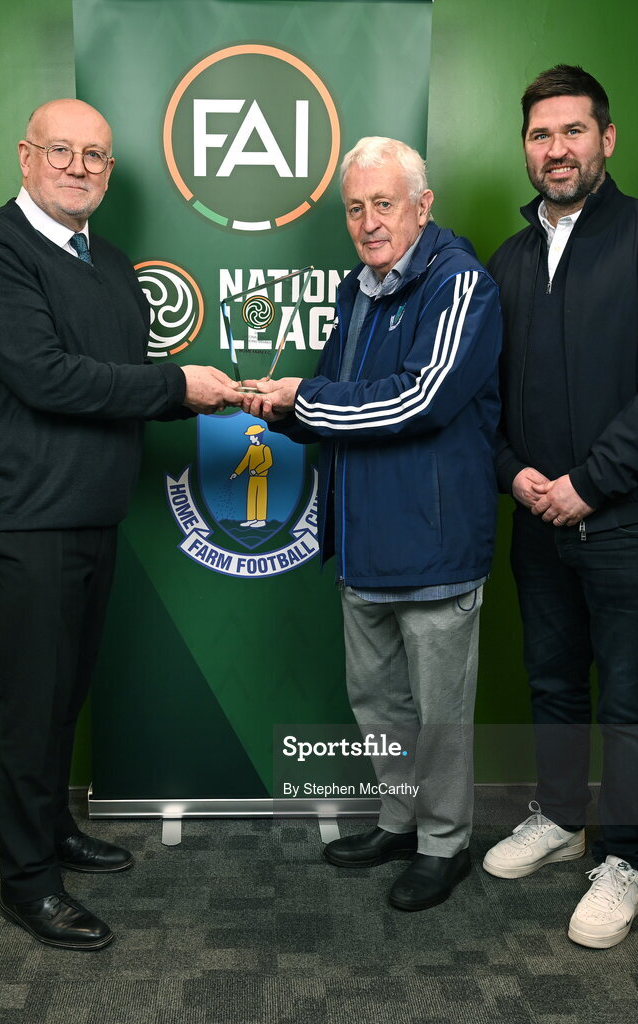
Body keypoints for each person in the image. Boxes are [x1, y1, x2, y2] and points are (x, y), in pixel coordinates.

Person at [0, 98, 241, 951]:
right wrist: (177, 386)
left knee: (66, 689)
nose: (80, 167)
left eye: (97, 156)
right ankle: (27, 883)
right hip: (22, 519)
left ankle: (54, 833)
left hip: (91, 512)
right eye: (63, 151)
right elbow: (49, 378)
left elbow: (119, 381)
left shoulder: (109, 263)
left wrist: (221, 397)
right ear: (27, 155)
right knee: (31, 704)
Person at [483, 66, 638, 948]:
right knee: (551, 682)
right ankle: (556, 817)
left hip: (633, 522)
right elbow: (488, 401)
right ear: (527, 148)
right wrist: (517, 475)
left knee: (627, 695)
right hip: (537, 518)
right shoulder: (506, 263)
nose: (557, 150)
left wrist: (589, 484)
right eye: (542, 136)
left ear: (606, 140)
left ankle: (622, 856)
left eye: (574, 132)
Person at [242, 137, 502, 911]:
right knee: (378, 707)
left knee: (439, 717)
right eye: (355, 207)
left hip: (434, 550)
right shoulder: (359, 290)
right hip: (361, 548)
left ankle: (444, 843)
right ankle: (398, 820)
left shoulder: (463, 285)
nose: (368, 221)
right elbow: (335, 397)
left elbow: (421, 399)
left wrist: (306, 401)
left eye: (383, 204)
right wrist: (280, 409)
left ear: (423, 206)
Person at [230, 423, 273, 527]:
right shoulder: (251, 448)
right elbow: (245, 462)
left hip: (261, 478)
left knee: (261, 498)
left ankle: (261, 520)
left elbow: (268, 462)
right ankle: (251, 519)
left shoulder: (265, 449)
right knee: (251, 497)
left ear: (257, 436)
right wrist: (236, 473)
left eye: (251, 436)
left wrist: (257, 470)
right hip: (252, 478)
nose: (250, 438)